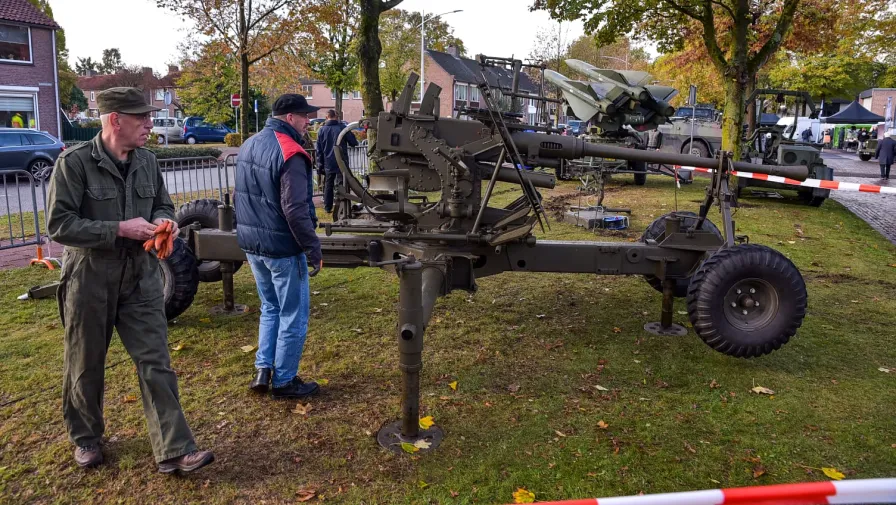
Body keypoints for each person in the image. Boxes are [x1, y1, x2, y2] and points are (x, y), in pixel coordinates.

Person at [47, 87, 214, 473]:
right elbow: (60, 224)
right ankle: (86, 438)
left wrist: (165, 220)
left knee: (156, 360)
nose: (149, 124)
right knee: (85, 361)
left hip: (141, 275)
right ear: (115, 120)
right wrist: (119, 228)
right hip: (90, 277)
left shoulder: (147, 161)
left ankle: (174, 448)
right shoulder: (74, 163)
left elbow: (161, 203)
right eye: (141, 117)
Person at [234, 94, 323, 399]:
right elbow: (295, 209)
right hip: (283, 247)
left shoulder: (249, 144)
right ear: (290, 118)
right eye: (304, 116)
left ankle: (263, 369)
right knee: (293, 314)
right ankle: (284, 380)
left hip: (254, 244)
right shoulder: (291, 151)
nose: (308, 121)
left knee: (270, 308)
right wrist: (312, 248)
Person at [315, 109, 358, 213]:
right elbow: (353, 142)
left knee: (328, 185)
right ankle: (342, 207)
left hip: (328, 162)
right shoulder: (342, 128)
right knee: (342, 184)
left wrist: (320, 165)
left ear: (326, 117)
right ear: (336, 117)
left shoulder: (321, 130)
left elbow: (319, 150)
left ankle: (327, 207)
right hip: (341, 161)